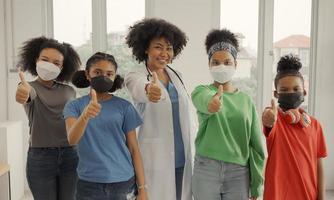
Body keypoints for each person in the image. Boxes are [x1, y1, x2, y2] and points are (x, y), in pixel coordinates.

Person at [125, 18, 196, 200]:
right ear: (146, 48)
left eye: (169, 48)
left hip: (182, 157)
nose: (164, 53)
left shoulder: (177, 76)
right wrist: (150, 89)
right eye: (158, 47)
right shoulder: (136, 75)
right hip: (155, 158)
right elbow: (140, 87)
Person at [191, 28, 265, 200]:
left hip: (239, 172)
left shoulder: (246, 101)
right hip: (206, 168)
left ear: (236, 64)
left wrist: (257, 184)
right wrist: (211, 104)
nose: (221, 66)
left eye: (226, 61)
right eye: (215, 62)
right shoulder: (202, 91)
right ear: (209, 64)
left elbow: (256, 146)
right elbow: (202, 100)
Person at [63, 52, 148, 200]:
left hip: (123, 182)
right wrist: (85, 116)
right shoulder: (74, 106)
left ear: (114, 77)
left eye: (109, 74)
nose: (104, 77)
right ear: (87, 74)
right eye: (97, 72)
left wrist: (142, 189)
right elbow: (72, 139)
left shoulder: (124, 107)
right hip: (89, 183)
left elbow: (134, 149)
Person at [15, 36, 81, 200]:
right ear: (36, 59)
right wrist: (22, 93)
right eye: (45, 59)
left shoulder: (70, 91)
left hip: (71, 156)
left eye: (56, 63)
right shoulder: (29, 87)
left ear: (62, 66)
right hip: (40, 158)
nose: (50, 65)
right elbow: (26, 94)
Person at [262, 54, 327, 200]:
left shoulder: (315, 125)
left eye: (296, 88)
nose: (290, 93)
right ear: (276, 94)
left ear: (304, 92)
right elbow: (268, 120)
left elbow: (319, 165)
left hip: (308, 195)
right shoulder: (275, 120)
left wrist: (321, 197)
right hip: (276, 195)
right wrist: (268, 118)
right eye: (284, 90)